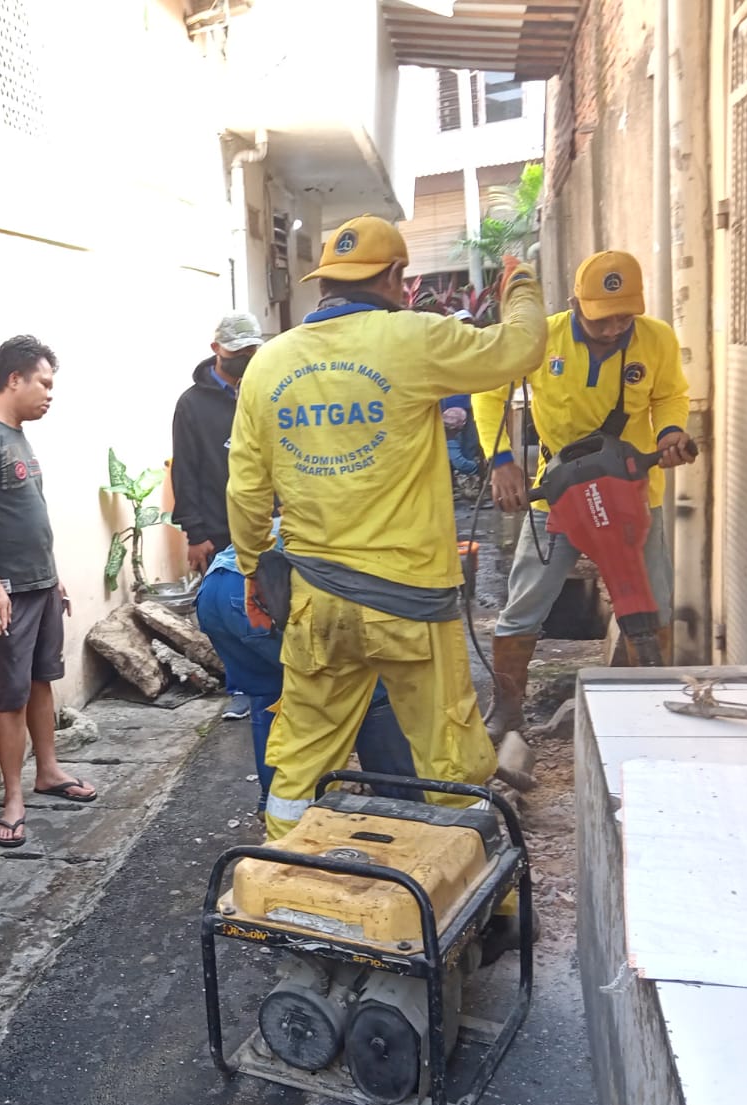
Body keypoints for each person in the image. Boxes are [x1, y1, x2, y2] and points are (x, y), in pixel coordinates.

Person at [225, 214, 546, 843]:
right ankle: (476, 904)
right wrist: (522, 283)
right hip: (412, 606)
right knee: (447, 753)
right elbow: (520, 349)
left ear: (326, 283)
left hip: (318, 602)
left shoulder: (268, 363)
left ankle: (282, 869)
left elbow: (245, 488)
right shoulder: (413, 339)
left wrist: (253, 567)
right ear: (396, 276)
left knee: (304, 751)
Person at [476, 251, 696, 736]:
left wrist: (670, 434)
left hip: (633, 494)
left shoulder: (655, 339)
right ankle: (507, 710)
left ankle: (651, 706)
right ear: (576, 302)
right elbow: (487, 391)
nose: (615, 326)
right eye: (603, 316)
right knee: (527, 601)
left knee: (650, 599)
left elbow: (670, 394)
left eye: (625, 315)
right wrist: (504, 462)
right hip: (556, 495)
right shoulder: (541, 339)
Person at [0, 335, 98, 850]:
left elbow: (26, 514)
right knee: (10, 694)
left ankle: (48, 770)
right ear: (14, 379)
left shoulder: (16, 435)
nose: (49, 394)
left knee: (40, 681)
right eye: (43, 382)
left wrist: (51, 574)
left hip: (39, 584)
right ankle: (13, 798)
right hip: (6, 591)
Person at [195, 540, 420, 811]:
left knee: (270, 694)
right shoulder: (374, 535)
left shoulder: (304, 513)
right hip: (258, 593)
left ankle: (273, 805)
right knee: (372, 687)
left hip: (213, 593)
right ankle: (401, 800)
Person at [171, 310, 266, 721]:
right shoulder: (191, 405)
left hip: (264, 521)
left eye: (252, 350)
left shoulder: (264, 389)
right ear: (216, 350)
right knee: (223, 612)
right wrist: (195, 532)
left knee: (266, 603)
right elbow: (185, 469)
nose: (246, 357)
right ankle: (241, 686)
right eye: (238, 351)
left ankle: (269, 680)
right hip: (217, 526)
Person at [441, 310, 485, 501]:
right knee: (454, 449)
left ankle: (471, 484)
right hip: (451, 408)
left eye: (469, 323)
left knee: (470, 445)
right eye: (463, 323)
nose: (467, 327)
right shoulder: (446, 350)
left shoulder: (476, 349)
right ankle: (460, 483)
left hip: (471, 404)